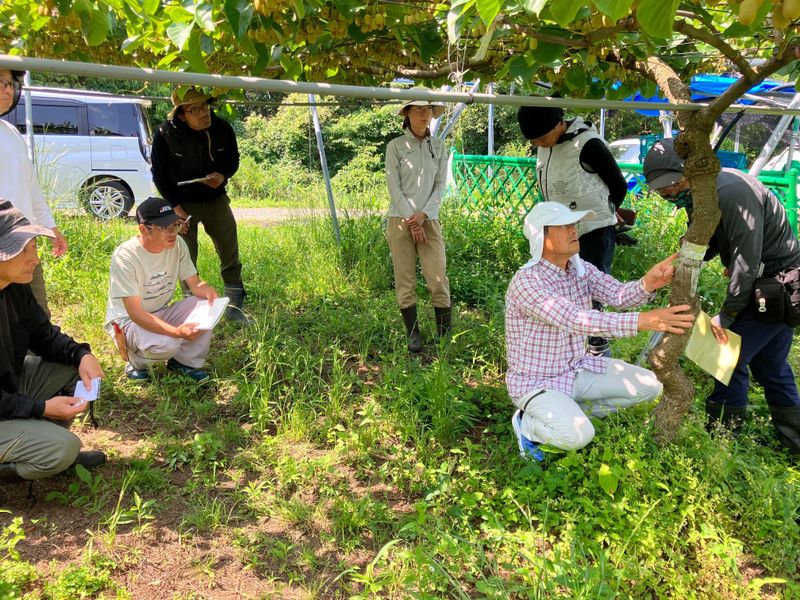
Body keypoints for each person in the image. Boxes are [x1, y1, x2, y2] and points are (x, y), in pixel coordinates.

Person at [643, 138, 800, 452]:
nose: (668, 194)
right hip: (766, 283)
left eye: (671, 186)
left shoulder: (730, 192)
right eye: (661, 190)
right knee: (771, 365)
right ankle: (794, 440)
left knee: (726, 358)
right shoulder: (703, 194)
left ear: (686, 173)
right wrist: (689, 258)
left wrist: (725, 316)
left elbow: (746, 263)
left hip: (777, 288)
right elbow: (710, 239)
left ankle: (721, 442)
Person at [506, 202, 694, 460]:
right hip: (537, 382)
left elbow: (617, 294)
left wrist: (649, 283)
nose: (574, 230)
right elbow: (576, 319)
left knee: (651, 386)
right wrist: (646, 320)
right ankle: (527, 424)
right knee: (579, 436)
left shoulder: (579, 268)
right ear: (542, 235)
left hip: (575, 370)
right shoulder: (528, 282)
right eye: (564, 226)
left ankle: (570, 411)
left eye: (573, 224)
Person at [0, 199, 105, 484]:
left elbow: (44, 336)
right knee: (65, 447)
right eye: (25, 250)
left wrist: (82, 354)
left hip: (8, 391)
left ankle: (37, 443)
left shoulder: (14, 287)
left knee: (73, 369)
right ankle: (42, 451)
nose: (35, 259)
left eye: (34, 247)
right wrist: (42, 408)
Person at [517, 105, 629, 356]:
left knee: (591, 289)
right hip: (558, 231)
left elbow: (618, 185)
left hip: (592, 230)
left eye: (541, 137)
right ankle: (566, 346)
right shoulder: (546, 145)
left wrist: (607, 213)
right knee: (561, 287)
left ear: (558, 123)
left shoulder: (589, 144)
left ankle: (598, 349)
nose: (538, 144)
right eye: (533, 141)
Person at [150, 86, 247, 324]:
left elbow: (233, 160)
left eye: (205, 106)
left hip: (215, 200)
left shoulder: (222, 127)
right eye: (194, 110)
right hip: (182, 204)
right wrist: (176, 208)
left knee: (228, 248)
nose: (203, 113)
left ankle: (235, 305)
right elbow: (159, 175)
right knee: (184, 255)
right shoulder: (165, 134)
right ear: (181, 114)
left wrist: (223, 176)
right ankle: (191, 309)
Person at [104, 197, 220, 382]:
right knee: (168, 343)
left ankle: (184, 363)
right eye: (164, 227)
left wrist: (207, 291)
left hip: (161, 311)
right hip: (129, 322)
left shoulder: (178, 245)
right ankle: (135, 361)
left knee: (206, 306)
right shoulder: (125, 257)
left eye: (175, 225)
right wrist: (175, 332)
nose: (172, 232)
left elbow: (194, 283)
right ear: (143, 229)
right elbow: (135, 313)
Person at [0, 68, 68, 317]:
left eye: (10, 83)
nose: (8, 89)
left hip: (25, 239)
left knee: (37, 314)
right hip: (3, 242)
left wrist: (50, 228)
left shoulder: (10, 131)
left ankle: (40, 356)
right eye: (1, 82)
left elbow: (31, 187)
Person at [385, 97, 451, 352]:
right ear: (408, 113)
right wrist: (412, 221)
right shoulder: (396, 146)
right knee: (405, 278)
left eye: (429, 110)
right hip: (400, 220)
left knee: (437, 277)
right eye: (419, 109)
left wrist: (423, 216)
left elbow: (440, 185)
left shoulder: (439, 146)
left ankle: (444, 336)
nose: (425, 114)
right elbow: (394, 187)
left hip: (430, 220)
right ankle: (413, 335)